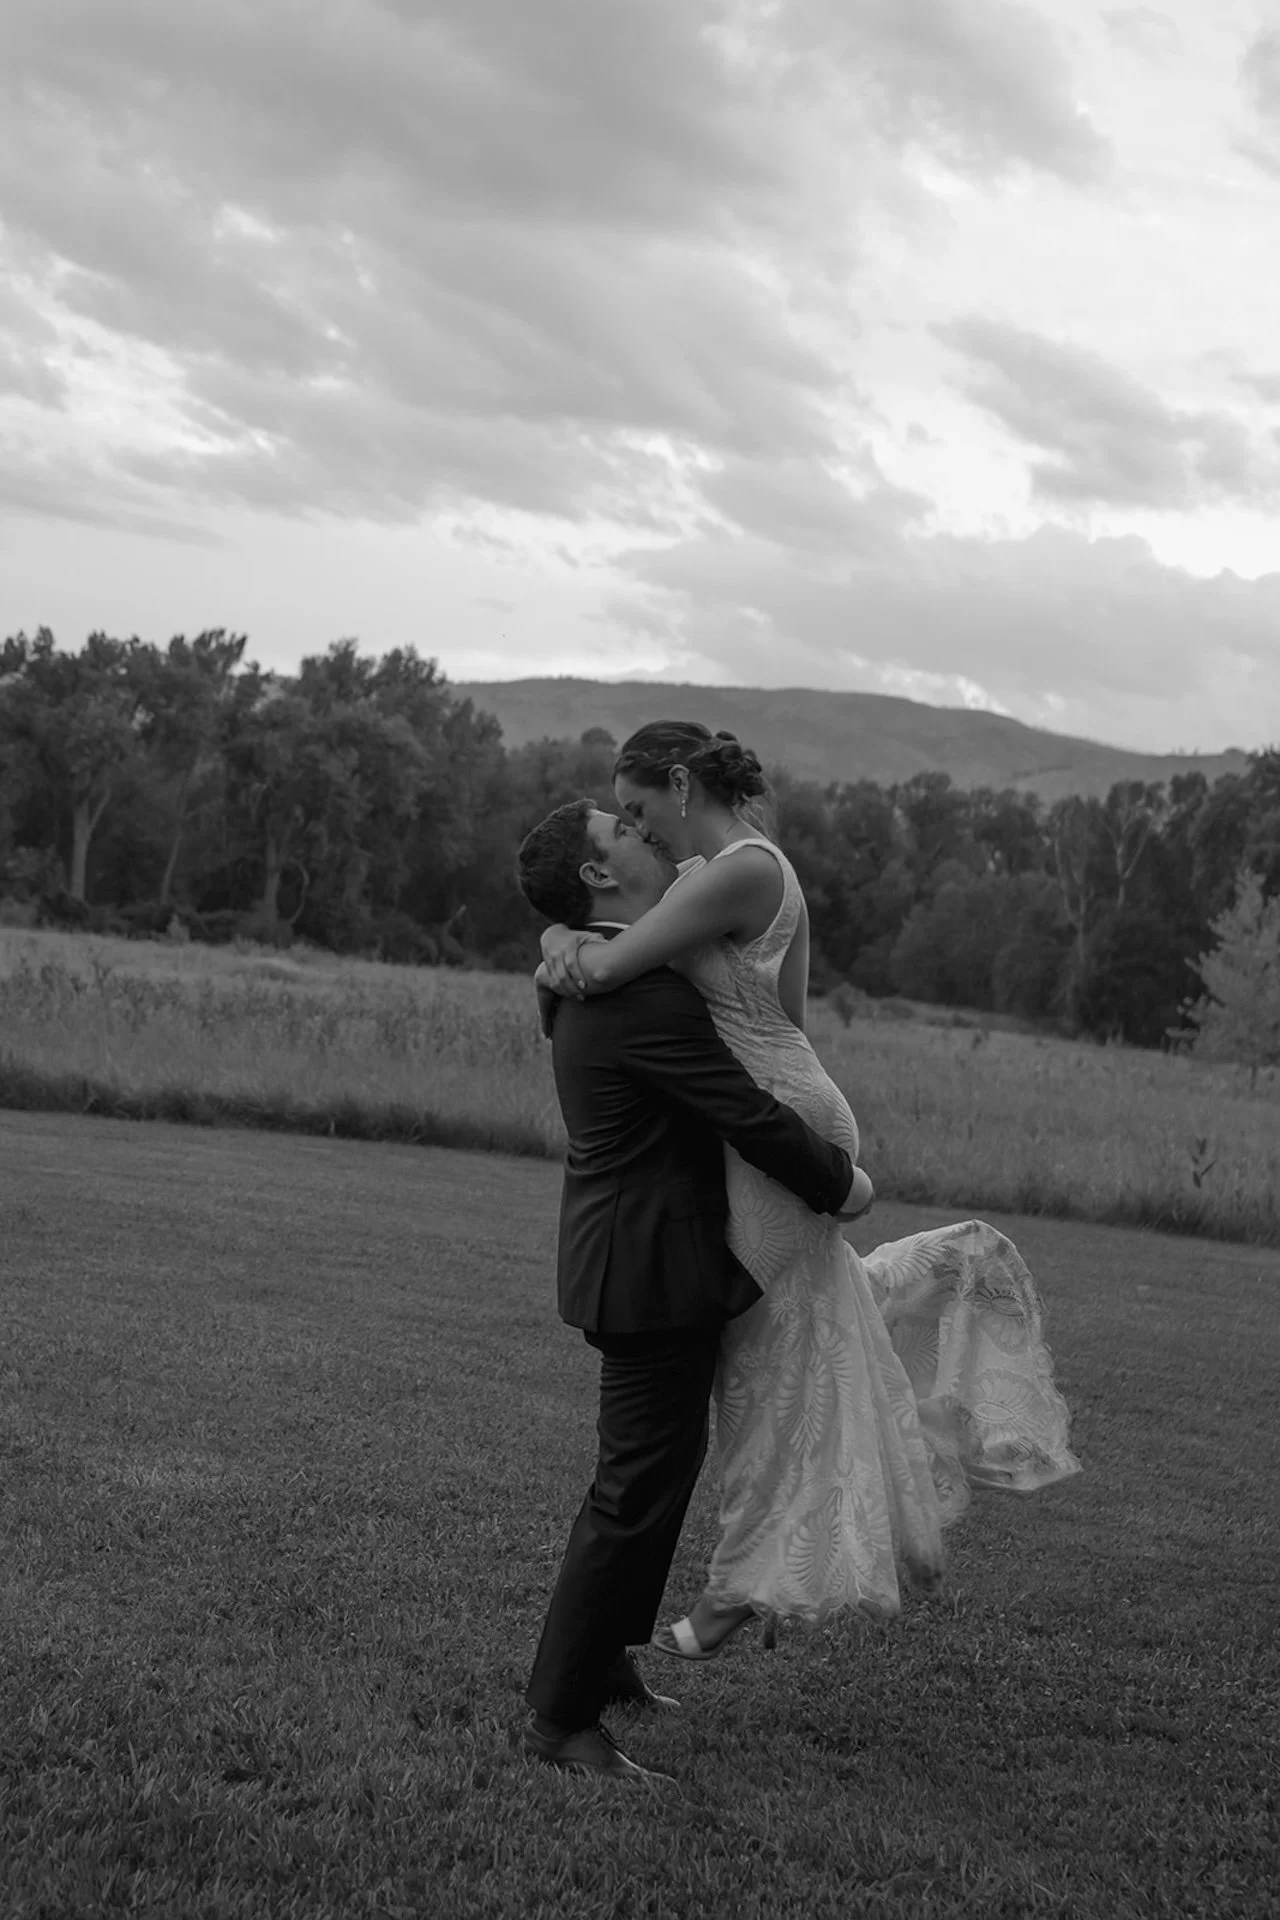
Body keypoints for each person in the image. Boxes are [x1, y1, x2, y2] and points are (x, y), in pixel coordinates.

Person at [539, 720, 1081, 1662]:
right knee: (799, 1331)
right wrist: (562, 926)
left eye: (635, 811)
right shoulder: (757, 872)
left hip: (776, 1127)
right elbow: (783, 1019)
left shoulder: (730, 873)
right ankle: (937, 1281)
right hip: (793, 1102)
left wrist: (559, 943)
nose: (642, 832)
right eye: (622, 825)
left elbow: (615, 961)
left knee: (766, 1359)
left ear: (677, 784)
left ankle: (748, 1583)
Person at [515, 798, 867, 1783]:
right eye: (618, 830)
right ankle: (558, 1722)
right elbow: (742, 1114)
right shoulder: (637, 993)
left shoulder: (602, 965)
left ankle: (607, 1665)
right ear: (596, 874)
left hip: (639, 1259)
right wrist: (844, 1186)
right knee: (630, 1493)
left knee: (656, 1481)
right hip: (647, 1270)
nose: (642, 833)